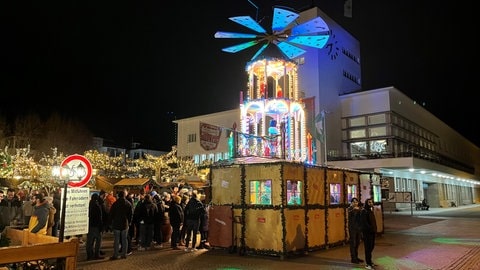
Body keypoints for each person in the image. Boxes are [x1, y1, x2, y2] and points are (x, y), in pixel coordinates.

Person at [109, 190, 133, 260]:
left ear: (118, 196)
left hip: (116, 224)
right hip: (125, 224)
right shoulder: (128, 203)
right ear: (124, 195)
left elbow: (111, 214)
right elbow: (130, 214)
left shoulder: (115, 204)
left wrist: (110, 222)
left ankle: (116, 255)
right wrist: (129, 222)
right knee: (124, 239)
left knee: (116, 240)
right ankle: (124, 254)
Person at [86, 193, 105, 260]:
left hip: (90, 225)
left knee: (89, 241)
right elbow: (99, 217)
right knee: (98, 240)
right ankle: (96, 254)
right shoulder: (97, 206)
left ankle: (89, 255)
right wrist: (101, 226)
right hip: (96, 226)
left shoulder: (89, 205)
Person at [361, 198, 377, 270]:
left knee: (371, 246)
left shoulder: (370, 210)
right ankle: (368, 263)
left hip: (372, 232)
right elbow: (364, 222)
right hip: (367, 233)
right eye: (369, 202)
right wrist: (370, 228)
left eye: (371, 202)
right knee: (368, 248)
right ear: (366, 203)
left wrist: (374, 229)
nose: (371, 203)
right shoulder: (364, 211)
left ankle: (370, 261)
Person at [348, 197, 364, 264]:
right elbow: (352, 215)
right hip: (352, 228)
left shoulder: (359, 209)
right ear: (351, 203)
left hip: (358, 228)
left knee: (357, 242)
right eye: (353, 202)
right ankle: (353, 258)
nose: (355, 203)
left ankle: (356, 257)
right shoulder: (350, 209)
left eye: (356, 202)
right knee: (353, 243)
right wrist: (355, 209)